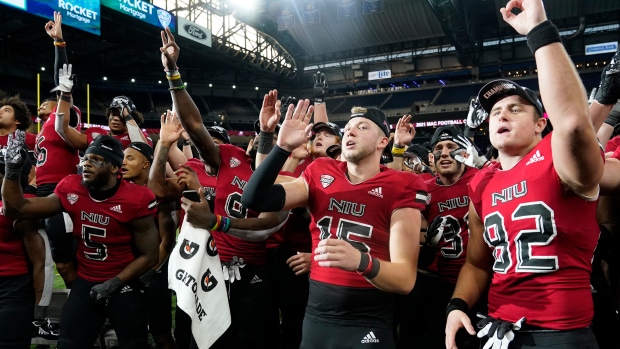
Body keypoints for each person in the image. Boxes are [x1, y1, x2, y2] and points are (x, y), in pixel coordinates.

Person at [445, 1, 603, 348]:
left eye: (515, 108)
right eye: (495, 112)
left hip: (562, 335)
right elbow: (477, 264)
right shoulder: (481, 182)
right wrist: (458, 305)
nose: (501, 115)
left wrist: (539, 31)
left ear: (540, 124)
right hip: (498, 329)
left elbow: (574, 124)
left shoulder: (556, 156)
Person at [241, 103, 427, 349]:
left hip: (368, 316)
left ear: (383, 142)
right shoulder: (320, 172)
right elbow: (253, 199)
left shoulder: (402, 184)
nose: (350, 132)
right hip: (317, 314)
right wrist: (282, 147)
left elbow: (405, 280)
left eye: (362, 127)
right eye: (348, 127)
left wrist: (362, 261)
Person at [2, 133, 160, 349]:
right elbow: (17, 209)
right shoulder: (71, 187)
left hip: (123, 285)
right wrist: (12, 171)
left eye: (96, 159)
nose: (87, 163)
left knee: (133, 345)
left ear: (115, 168)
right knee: (68, 344)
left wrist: (114, 283)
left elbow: (150, 254)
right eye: (85, 158)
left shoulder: (136, 198)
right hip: (85, 283)